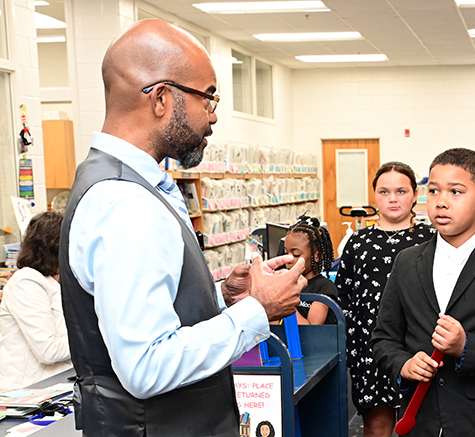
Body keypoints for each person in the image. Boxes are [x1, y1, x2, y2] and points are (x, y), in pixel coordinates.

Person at [60, 19, 306, 436]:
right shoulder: (127, 204)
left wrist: (219, 298)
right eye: (207, 98)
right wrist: (255, 311)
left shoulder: (119, 184)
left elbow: (143, 311)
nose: (212, 117)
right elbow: (145, 366)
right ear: (161, 99)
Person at [371, 148, 475, 437]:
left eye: (455, 192)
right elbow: (384, 337)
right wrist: (403, 364)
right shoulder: (407, 261)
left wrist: (467, 347)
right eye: (434, 190)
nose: (441, 202)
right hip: (420, 420)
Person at [336, 161, 435, 437]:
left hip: (417, 346)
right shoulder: (358, 242)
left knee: (419, 424)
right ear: (374, 195)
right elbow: (344, 295)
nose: (392, 199)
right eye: (384, 192)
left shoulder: (431, 240)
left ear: (415, 194)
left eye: (401, 191)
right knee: (376, 427)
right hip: (368, 349)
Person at [0, 211, 72, 387]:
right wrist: (94, 338)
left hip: (59, 384)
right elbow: (48, 351)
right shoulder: (27, 281)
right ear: (55, 245)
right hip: (31, 390)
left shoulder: (58, 281)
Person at [285, 215, 337, 325]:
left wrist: (284, 303)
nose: (288, 259)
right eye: (286, 253)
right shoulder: (286, 284)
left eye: (296, 254)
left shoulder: (324, 287)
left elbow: (311, 328)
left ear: (317, 256)